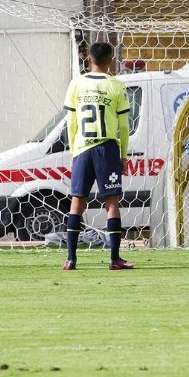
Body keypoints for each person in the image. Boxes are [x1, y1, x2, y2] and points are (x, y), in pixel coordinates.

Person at [62, 42, 133, 271]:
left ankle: (71, 259)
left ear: (89, 60)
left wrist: (74, 151)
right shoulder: (116, 86)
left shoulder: (76, 84)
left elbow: (71, 122)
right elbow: (123, 126)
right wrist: (123, 154)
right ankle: (114, 260)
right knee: (112, 203)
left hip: (82, 149)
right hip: (107, 148)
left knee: (77, 203)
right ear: (111, 59)